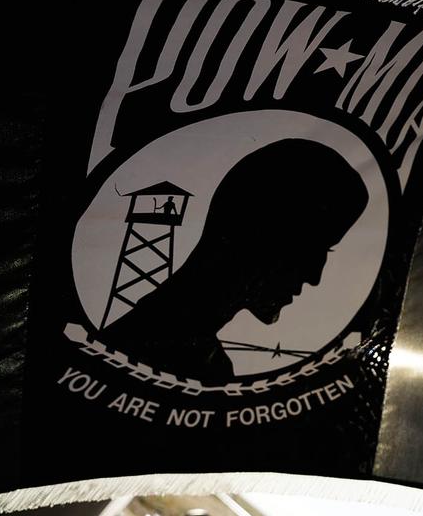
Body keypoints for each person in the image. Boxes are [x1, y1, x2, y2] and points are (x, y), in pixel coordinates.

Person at [97, 139, 368, 382]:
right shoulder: (165, 360)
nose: (314, 276)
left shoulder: (197, 361)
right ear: (256, 233)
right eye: (309, 249)